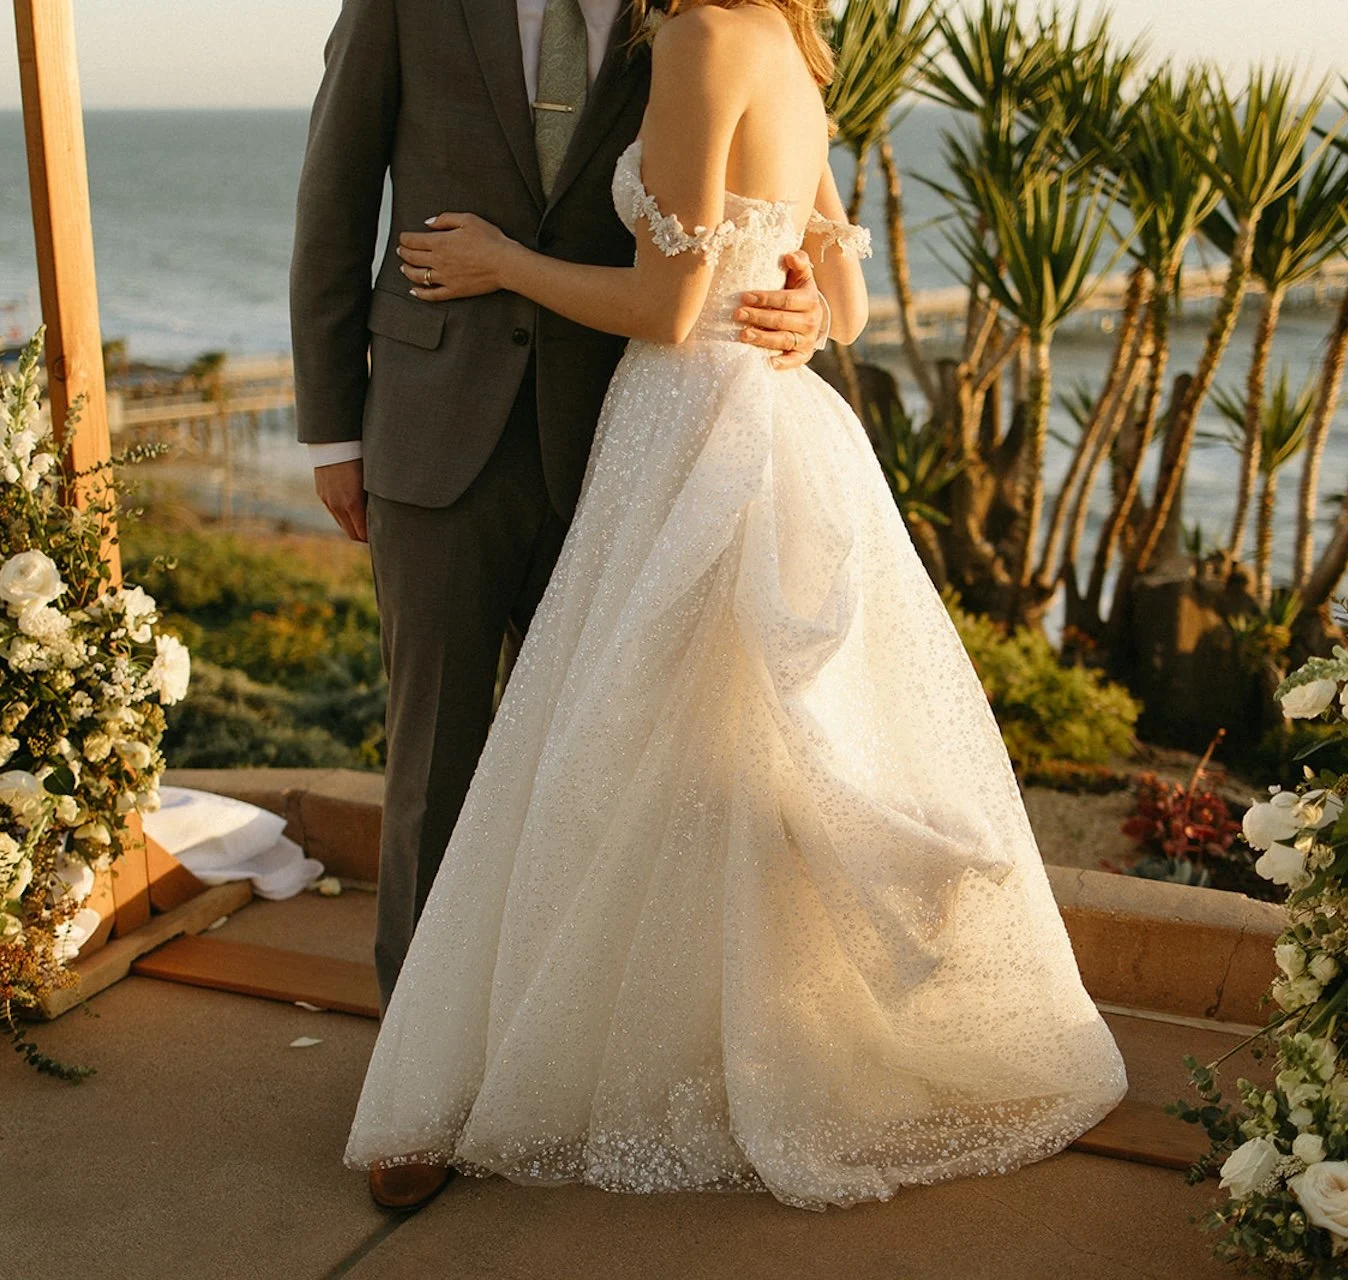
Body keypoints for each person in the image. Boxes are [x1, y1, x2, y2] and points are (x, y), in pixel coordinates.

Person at [341, 0, 1128, 1212]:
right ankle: (698, 1037)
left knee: (626, 748)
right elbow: (850, 306)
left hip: (686, 426)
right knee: (717, 757)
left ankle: (591, 1050)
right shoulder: (797, 51)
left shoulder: (702, 41)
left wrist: (502, 262)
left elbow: (667, 305)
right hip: (771, 423)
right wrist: (806, 305)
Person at [289, 0, 832, 1211]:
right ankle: (417, 1084)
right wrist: (334, 426)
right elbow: (333, 198)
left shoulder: (680, 18)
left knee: (598, 759)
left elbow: (795, 215)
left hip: (626, 442)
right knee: (439, 750)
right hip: (433, 432)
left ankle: (547, 1052)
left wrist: (816, 310)